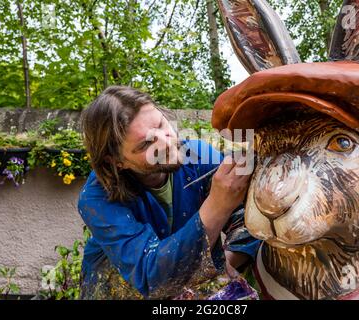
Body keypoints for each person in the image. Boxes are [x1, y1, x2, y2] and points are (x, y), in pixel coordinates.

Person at [77, 85, 261, 299]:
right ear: (117, 162)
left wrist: (225, 262)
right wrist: (217, 206)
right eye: (146, 143)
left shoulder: (198, 155)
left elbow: (248, 220)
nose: (167, 143)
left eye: (161, 125)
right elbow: (150, 274)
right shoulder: (97, 197)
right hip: (114, 289)